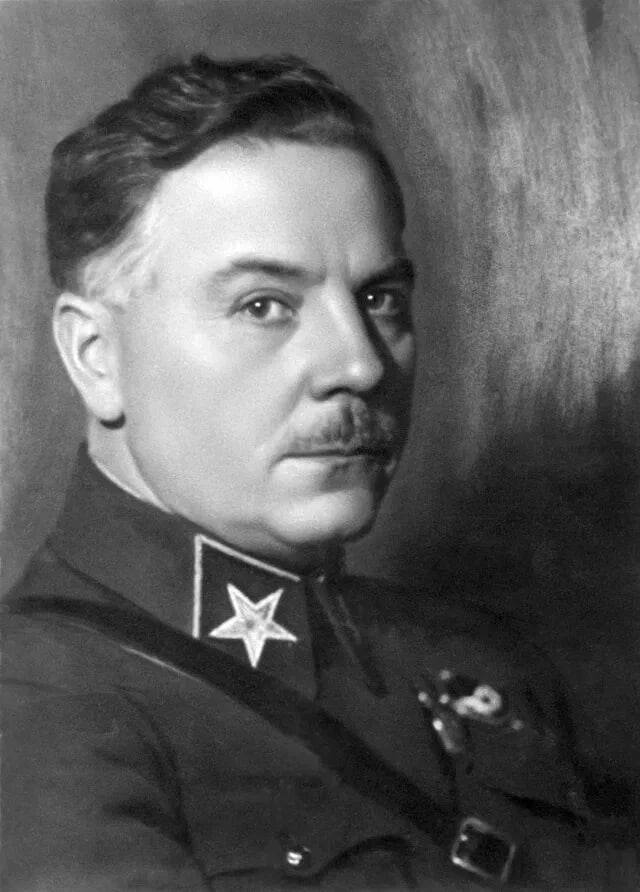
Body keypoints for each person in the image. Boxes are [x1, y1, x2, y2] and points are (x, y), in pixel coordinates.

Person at [0, 53, 622, 891]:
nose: (360, 364)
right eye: (264, 305)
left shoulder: (481, 664)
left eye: (380, 299)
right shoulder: (35, 708)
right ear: (95, 356)